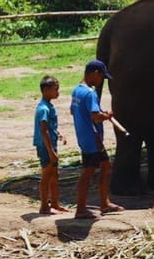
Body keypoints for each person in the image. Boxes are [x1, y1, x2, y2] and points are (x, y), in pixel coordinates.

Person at [71, 59, 123, 219]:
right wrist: (106, 116)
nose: (101, 81)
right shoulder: (90, 93)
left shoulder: (77, 91)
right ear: (94, 74)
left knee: (106, 166)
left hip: (84, 136)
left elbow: (74, 111)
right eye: (101, 77)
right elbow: (95, 116)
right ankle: (80, 209)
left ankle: (104, 203)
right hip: (93, 139)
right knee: (88, 172)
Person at [33, 76, 68, 215]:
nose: (58, 92)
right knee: (47, 174)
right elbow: (43, 130)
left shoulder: (48, 106)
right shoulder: (43, 109)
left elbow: (50, 127)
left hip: (51, 144)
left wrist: (59, 134)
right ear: (46, 90)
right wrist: (51, 152)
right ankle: (44, 206)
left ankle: (55, 203)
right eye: (55, 89)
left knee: (55, 174)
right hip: (45, 146)